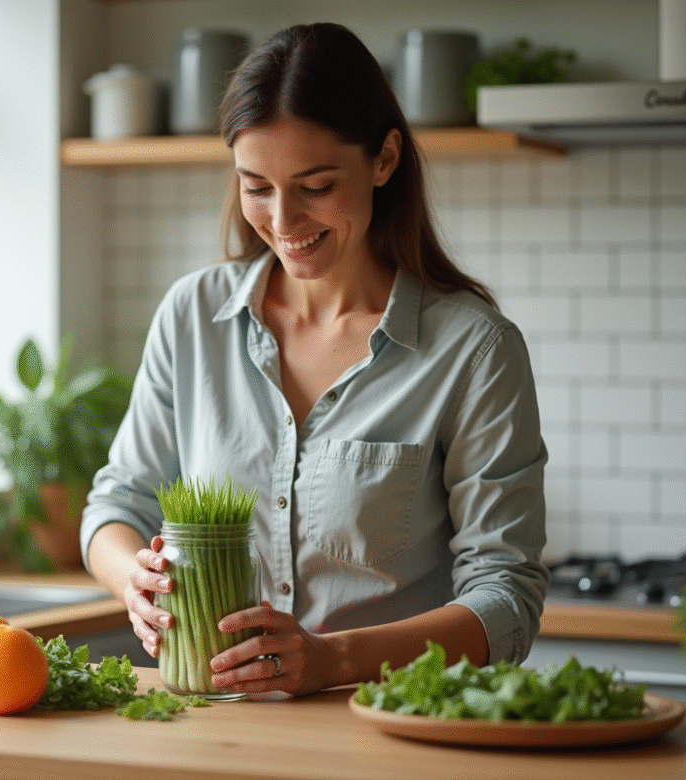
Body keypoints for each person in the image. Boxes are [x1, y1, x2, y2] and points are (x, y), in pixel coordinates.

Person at [80, 21, 548, 697]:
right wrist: (134, 578)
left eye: (316, 185)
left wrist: (336, 658)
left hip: (387, 733)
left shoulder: (474, 350)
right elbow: (116, 503)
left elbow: (506, 599)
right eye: (256, 186)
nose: (283, 221)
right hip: (216, 735)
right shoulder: (191, 316)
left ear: (384, 159)